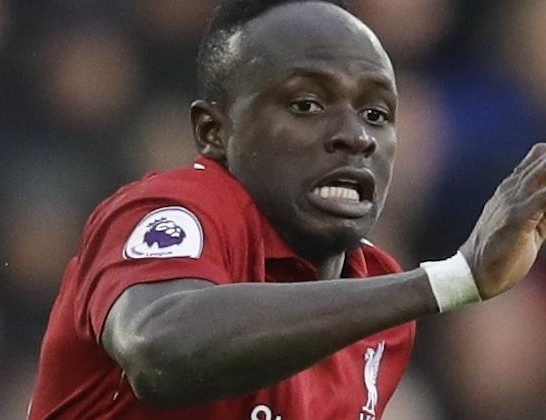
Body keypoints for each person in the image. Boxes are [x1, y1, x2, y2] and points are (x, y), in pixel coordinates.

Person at [29, 1, 546, 419]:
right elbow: (158, 348)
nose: (355, 137)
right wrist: (449, 281)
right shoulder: (176, 209)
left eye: (375, 113)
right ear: (214, 132)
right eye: (306, 105)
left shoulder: (379, 306)